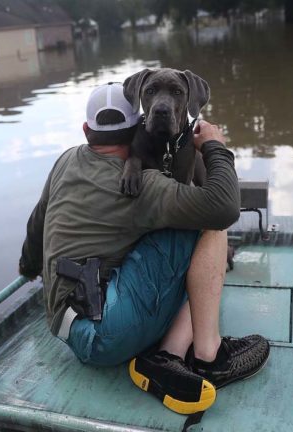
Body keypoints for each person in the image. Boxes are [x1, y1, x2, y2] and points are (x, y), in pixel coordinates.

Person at [18, 82, 269, 414]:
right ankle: (206, 356)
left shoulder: (66, 160)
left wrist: (28, 268)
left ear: (85, 129)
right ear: (138, 126)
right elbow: (224, 207)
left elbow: (36, 225)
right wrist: (214, 147)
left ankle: (166, 352)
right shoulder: (143, 185)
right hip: (107, 336)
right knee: (208, 224)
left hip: (64, 327)